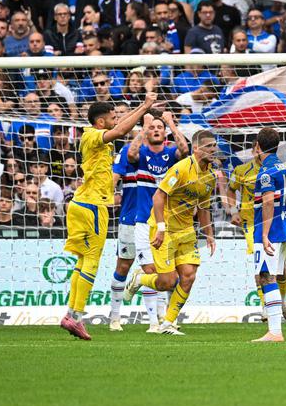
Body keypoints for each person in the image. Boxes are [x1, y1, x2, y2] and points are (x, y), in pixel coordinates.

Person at [61, 93, 156, 341]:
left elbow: (121, 125)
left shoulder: (95, 138)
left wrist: (140, 110)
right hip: (91, 206)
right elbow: (120, 130)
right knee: (91, 262)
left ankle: (71, 313)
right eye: (112, 117)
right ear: (100, 122)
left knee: (82, 262)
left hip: (83, 204)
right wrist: (145, 106)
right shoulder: (93, 135)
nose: (117, 120)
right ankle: (76, 316)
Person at [123, 129, 219, 336]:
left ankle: (168, 322)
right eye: (209, 146)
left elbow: (203, 207)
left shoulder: (211, 176)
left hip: (186, 231)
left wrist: (209, 234)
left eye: (215, 146)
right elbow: (158, 197)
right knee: (167, 282)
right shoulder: (181, 168)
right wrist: (160, 228)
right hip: (164, 229)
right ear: (196, 148)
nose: (213, 149)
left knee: (188, 276)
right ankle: (140, 279)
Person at [109, 112, 185, 332]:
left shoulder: (171, 154)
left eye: (158, 127)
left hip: (160, 220)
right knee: (124, 266)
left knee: (160, 268)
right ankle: (114, 316)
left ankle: (160, 318)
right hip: (131, 217)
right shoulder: (131, 151)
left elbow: (185, 151)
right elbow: (116, 176)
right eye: (151, 127)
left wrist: (169, 122)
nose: (155, 129)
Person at [225, 143, 286, 322]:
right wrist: (234, 212)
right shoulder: (242, 170)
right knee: (260, 267)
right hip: (252, 223)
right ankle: (266, 305)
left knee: (281, 270)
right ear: (253, 151)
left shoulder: (279, 168)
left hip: (275, 222)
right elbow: (230, 189)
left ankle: (281, 301)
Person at [250, 127, 286, 343]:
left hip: (270, 231)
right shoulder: (282, 167)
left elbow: (268, 201)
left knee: (266, 276)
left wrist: (264, 234)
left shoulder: (266, 172)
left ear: (258, 146)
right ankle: (274, 330)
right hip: (282, 229)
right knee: (270, 276)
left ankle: (275, 331)